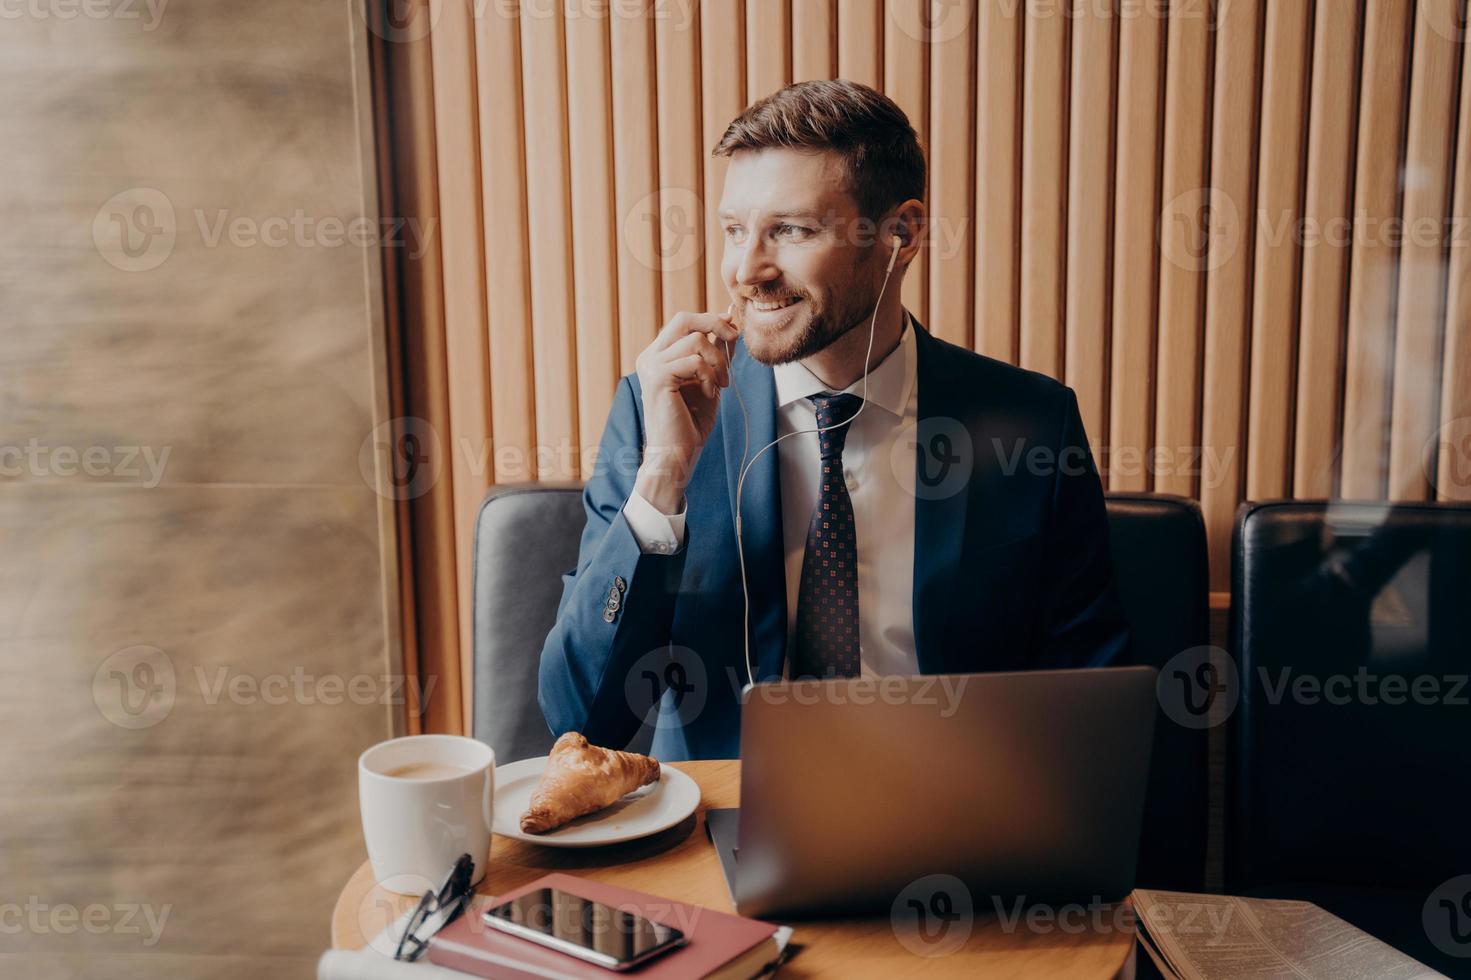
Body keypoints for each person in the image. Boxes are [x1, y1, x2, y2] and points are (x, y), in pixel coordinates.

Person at [539, 79, 1128, 760]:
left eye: (788, 230)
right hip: (724, 834)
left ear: (900, 235)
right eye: (734, 231)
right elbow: (580, 718)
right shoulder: (657, 413)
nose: (745, 270)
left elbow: (1092, 704)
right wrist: (663, 479)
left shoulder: (1033, 423)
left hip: (953, 832)